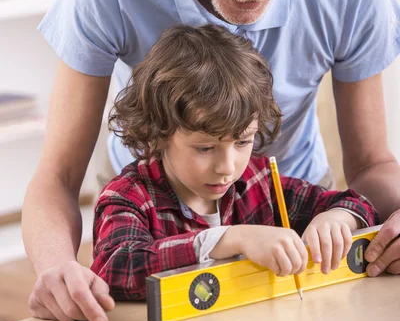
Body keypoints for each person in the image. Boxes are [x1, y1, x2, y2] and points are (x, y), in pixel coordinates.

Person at [23, 0, 400, 321]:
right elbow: (60, 175)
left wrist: (364, 219)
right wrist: (58, 269)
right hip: (157, 222)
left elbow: (373, 166)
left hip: (288, 217)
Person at [91, 24, 379, 299]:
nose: (227, 168)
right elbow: (115, 269)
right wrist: (230, 239)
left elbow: (358, 203)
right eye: (205, 148)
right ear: (159, 133)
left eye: (242, 142)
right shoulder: (128, 197)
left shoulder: (258, 182)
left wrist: (337, 218)